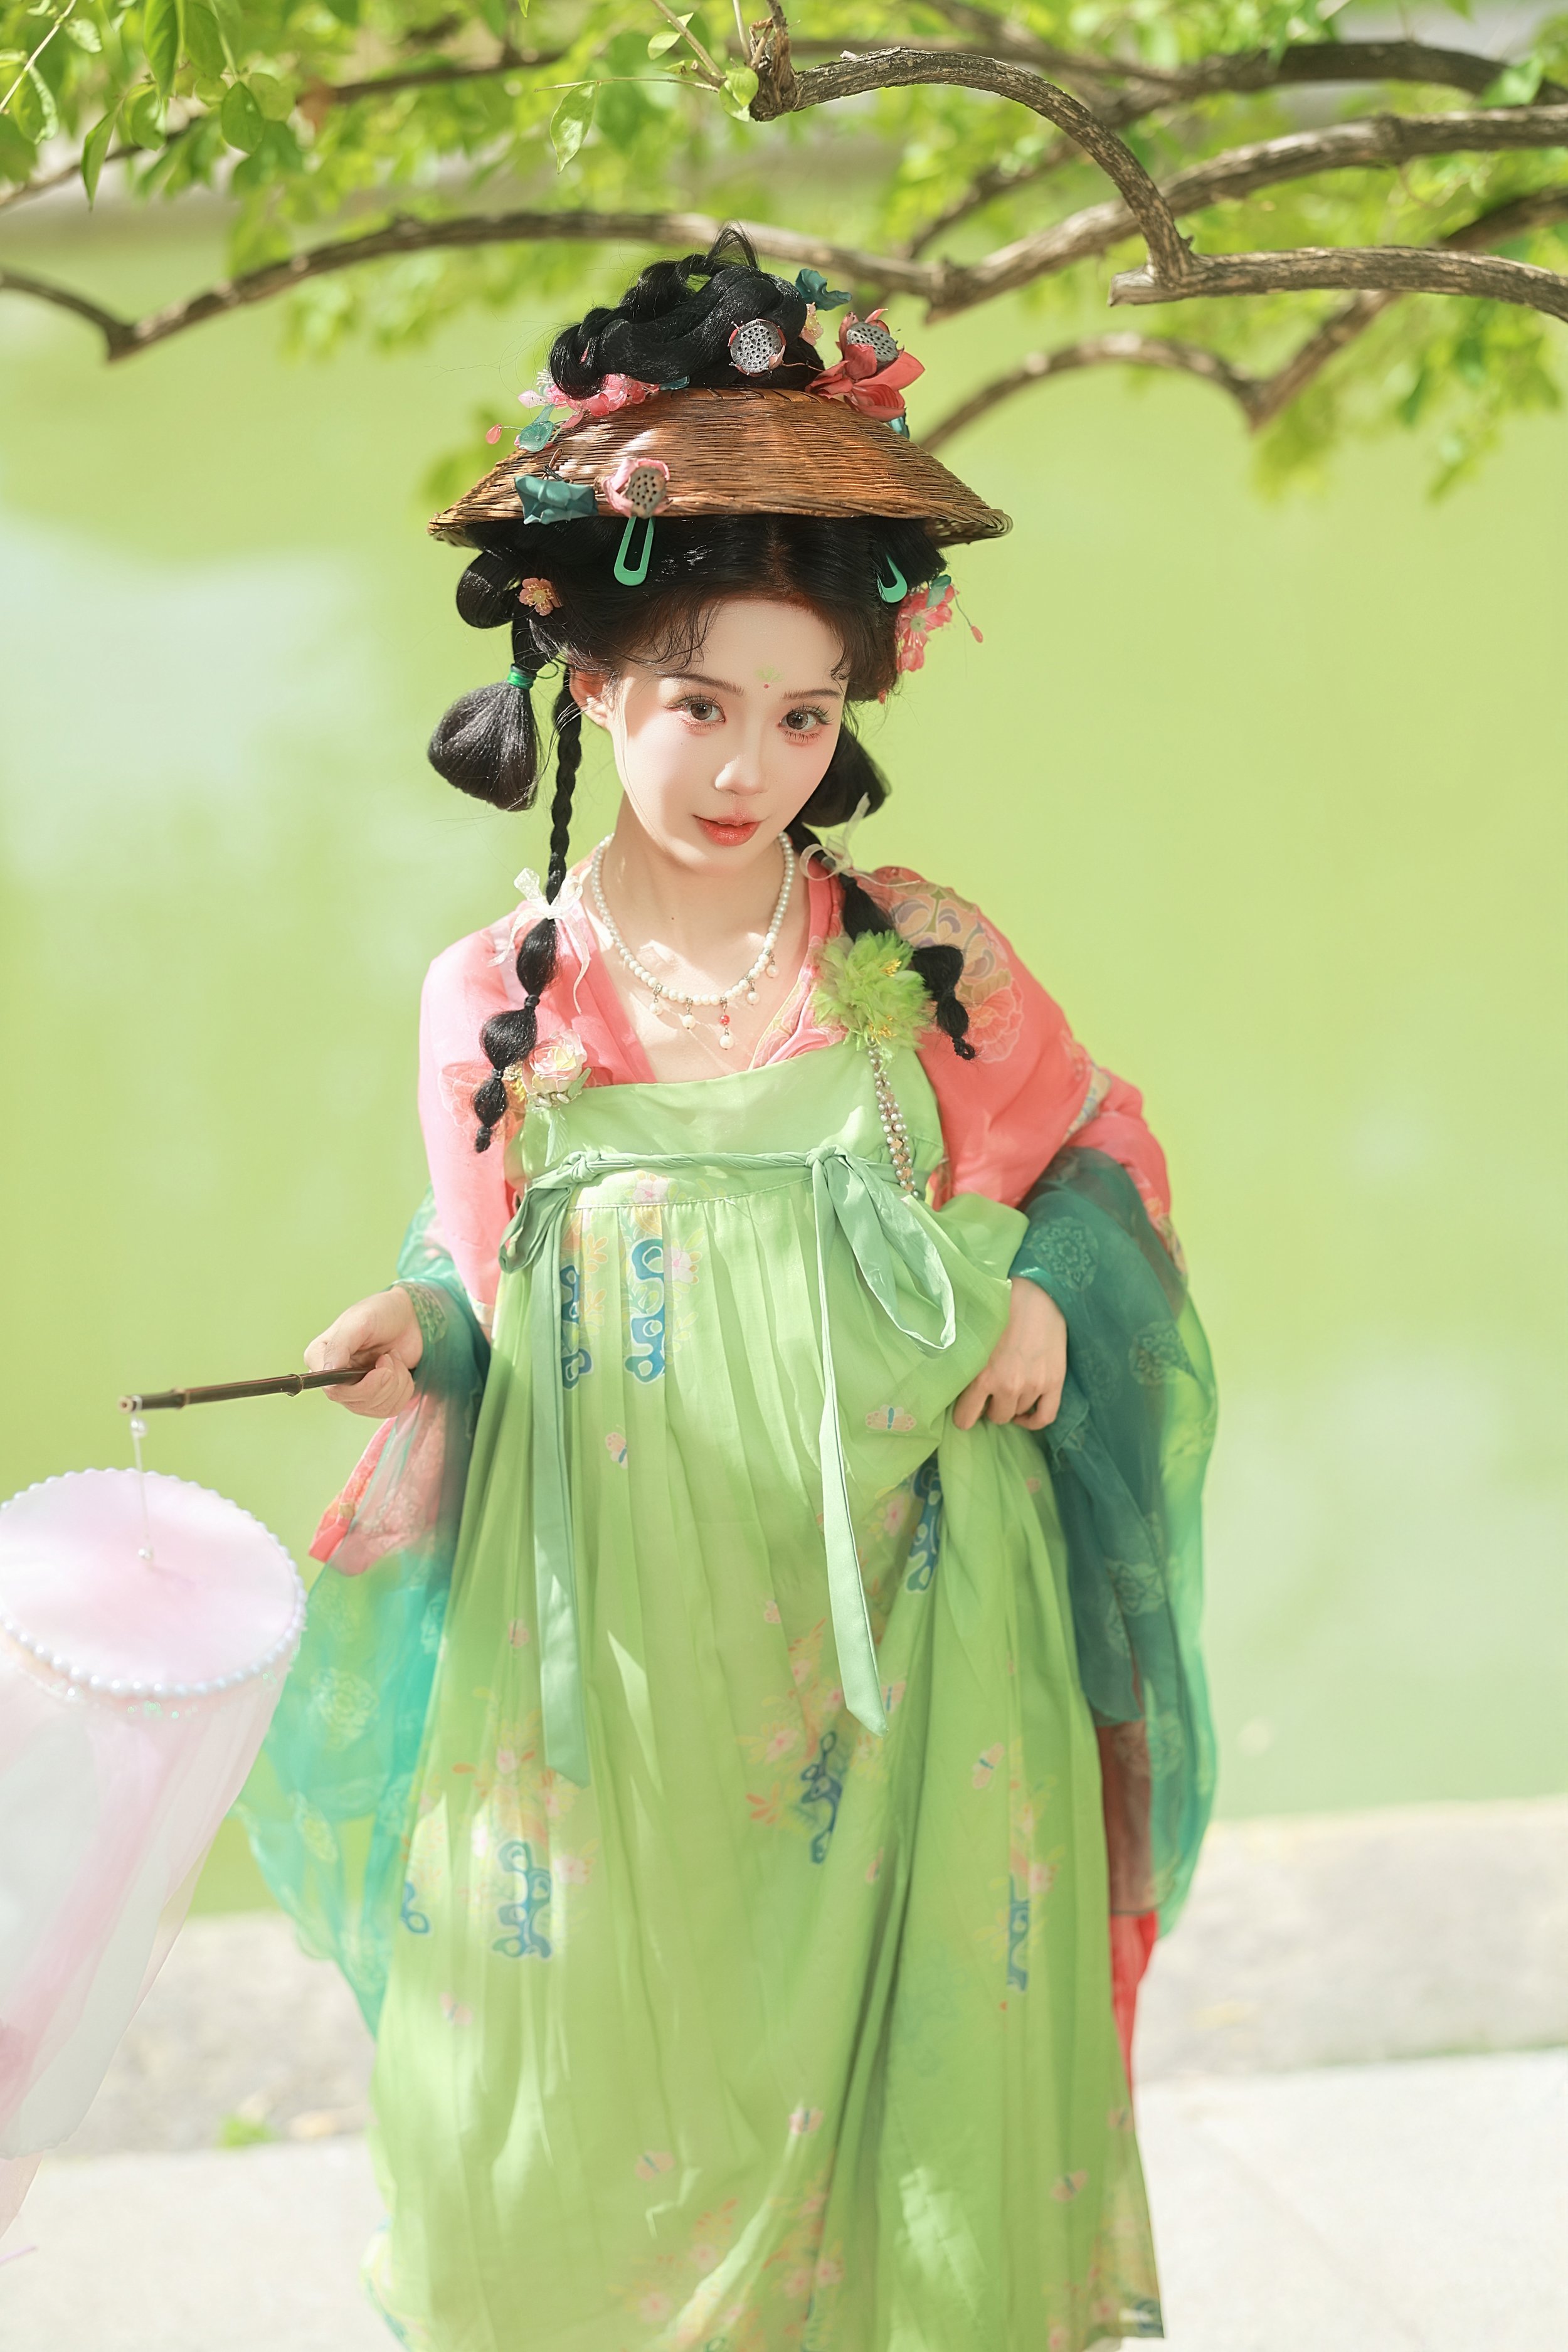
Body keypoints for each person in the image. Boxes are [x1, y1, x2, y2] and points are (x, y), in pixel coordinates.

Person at [239, 232, 1216, 2352]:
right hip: (609, 1656)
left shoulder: (915, 958)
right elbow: (484, 1272)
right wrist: (421, 1342)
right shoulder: (500, 996)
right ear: (589, 682)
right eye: (697, 703)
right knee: (571, 2121)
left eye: (798, 712)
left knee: (911, 2150)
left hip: (925, 1636)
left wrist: (1047, 1290)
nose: (744, 764)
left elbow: (1091, 1162)